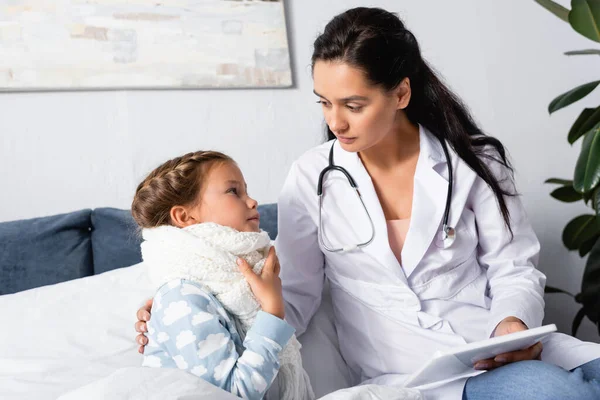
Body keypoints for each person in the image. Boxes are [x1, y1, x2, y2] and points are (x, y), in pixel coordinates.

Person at [136, 7, 600, 399]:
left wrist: (513, 326)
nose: (335, 122)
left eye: (353, 105)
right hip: (415, 376)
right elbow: (291, 296)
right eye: (324, 103)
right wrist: (191, 313)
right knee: (550, 392)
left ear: (400, 93)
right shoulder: (311, 177)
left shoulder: (474, 163)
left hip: (498, 345)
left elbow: (514, 267)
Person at [131, 150, 314, 400]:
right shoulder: (180, 298)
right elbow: (232, 394)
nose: (252, 202)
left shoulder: (241, 285)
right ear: (185, 216)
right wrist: (271, 313)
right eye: (233, 191)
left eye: (246, 191)